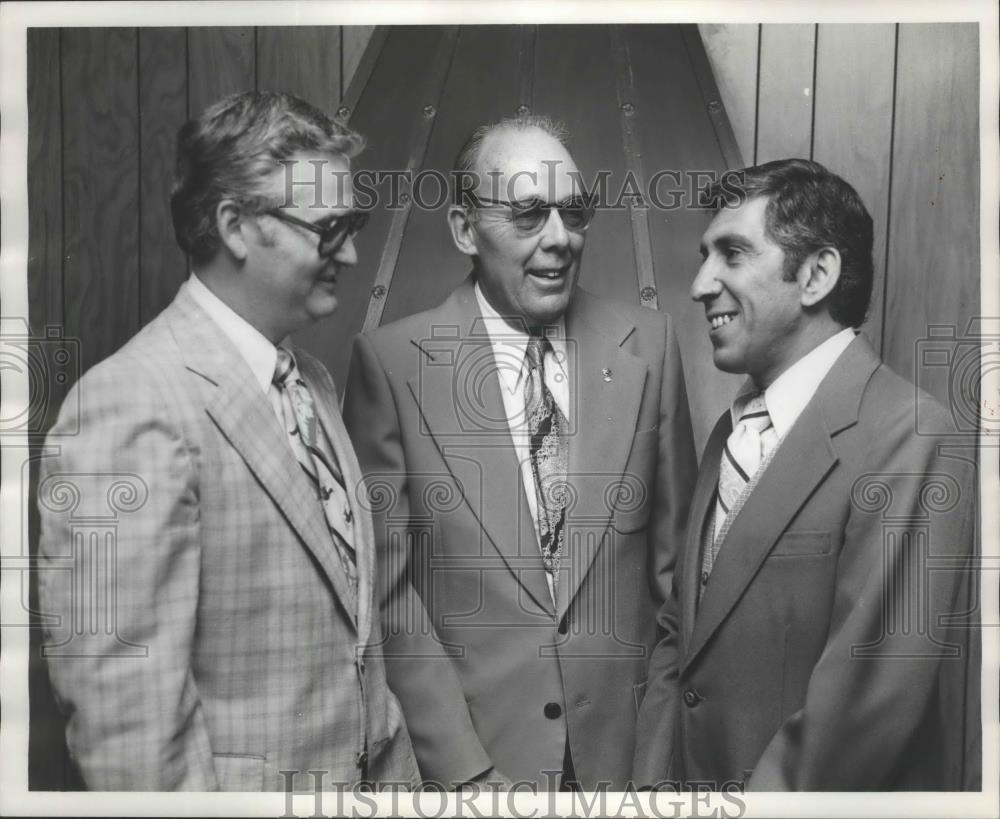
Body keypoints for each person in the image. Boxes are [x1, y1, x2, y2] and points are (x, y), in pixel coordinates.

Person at [36, 91, 417, 791]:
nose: (353, 251)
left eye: (354, 223)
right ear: (237, 226)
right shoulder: (128, 404)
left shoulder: (314, 383)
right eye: (330, 228)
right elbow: (130, 732)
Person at [342, 116, 697, 790]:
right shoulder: (390, 364)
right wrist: (465, 775)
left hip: (625, 770)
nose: (560, 238)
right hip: (471, 768)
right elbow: (387, 598)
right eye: (530, 213)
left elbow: (674, 580)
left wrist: (653, 767)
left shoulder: (650, 346)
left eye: (575, 211)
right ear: (464, 228)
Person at [633, 158, 980, 791]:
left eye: (733, 254)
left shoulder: (911, 436)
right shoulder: (731, 432)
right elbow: (677, 639)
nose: (701, 284)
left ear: (816, 275)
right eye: (705, 255)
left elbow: (860, 707)